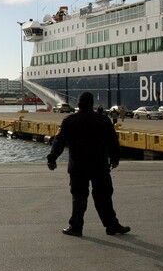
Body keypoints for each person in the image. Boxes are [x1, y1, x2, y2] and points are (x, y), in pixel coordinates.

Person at [47, 92, 130, 237]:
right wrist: (115, 159)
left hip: (78, 167)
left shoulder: (69, 120)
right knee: (104, 197)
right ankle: (112, 226)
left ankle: (76, 227)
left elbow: (59, 141)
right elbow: (113, 141)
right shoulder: (103, 120)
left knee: (79, 197)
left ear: (78, 104)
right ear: (92, 104)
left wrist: (52, 158)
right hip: (100, 165)